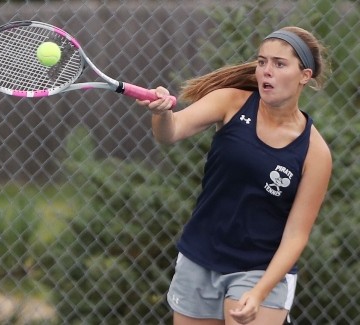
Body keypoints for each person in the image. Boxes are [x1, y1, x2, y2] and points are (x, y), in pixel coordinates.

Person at [137, 26, 332, 325]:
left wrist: (259, 292)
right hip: (200, 257)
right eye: (262, 61)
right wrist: (161, 113)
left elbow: (296, 236)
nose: (267, 71)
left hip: (260, 270)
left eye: (279, 64)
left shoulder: (315, 153)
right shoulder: (231, 102)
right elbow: (170, 132)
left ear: (304, 75)